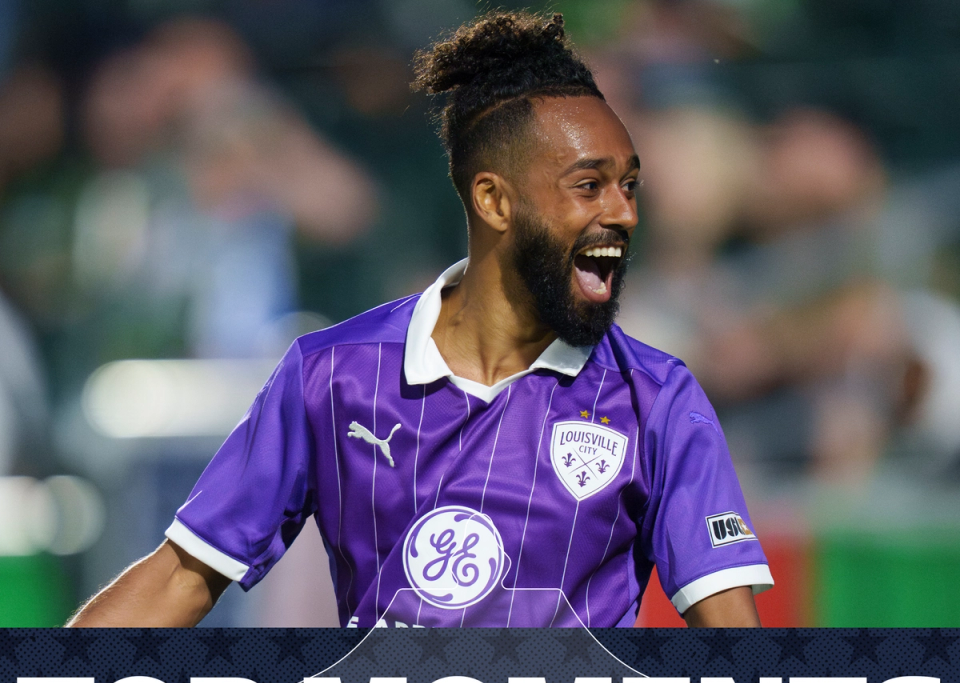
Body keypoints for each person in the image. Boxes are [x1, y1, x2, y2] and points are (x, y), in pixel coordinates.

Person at [68, 12, 772, 630]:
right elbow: (180, 579)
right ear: (494, 202)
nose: (624, 212)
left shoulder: (657, 398)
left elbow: (739, 656)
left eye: (629, 185)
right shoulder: (329, 378)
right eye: (589, 185)